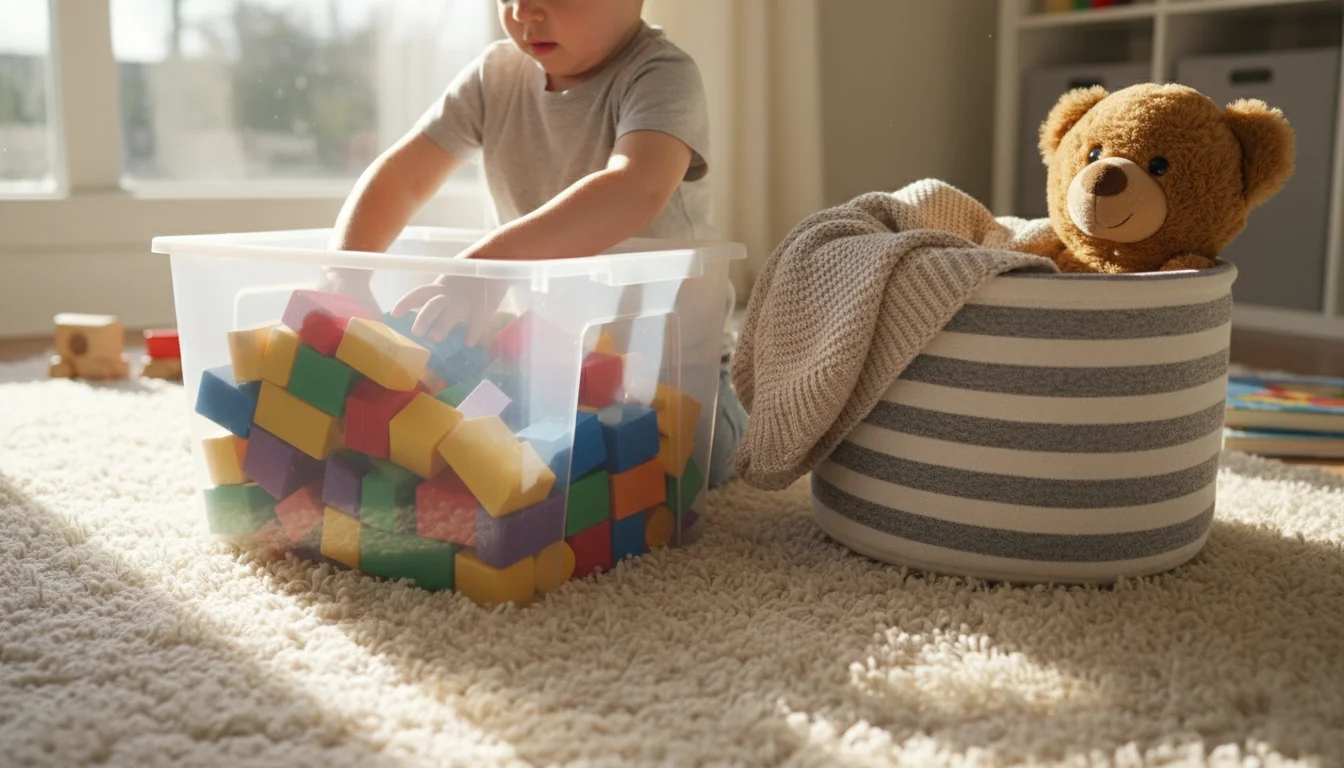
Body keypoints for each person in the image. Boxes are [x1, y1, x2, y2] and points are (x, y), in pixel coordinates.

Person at [319, 0, 745, 487]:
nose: (524, 11)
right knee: (466, 454)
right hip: (548, 362)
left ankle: (741, 419)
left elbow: (636, 189)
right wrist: (346, 266)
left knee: (684, 467)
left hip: (669, 374)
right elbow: (404, 175)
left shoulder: (661, 74)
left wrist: (486, 267)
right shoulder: (494, 76)